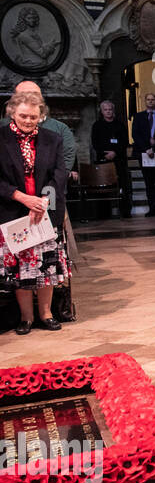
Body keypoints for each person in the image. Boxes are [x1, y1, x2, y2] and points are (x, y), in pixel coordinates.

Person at [1, 90, 69, 334]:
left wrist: (42, 201)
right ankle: (26, 317)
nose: (28, 121)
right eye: (23, 116)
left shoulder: (52, 139)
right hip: (12, 211)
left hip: (43, 211)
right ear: (12, 113)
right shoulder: (1, 137)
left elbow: (58, 174)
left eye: (33, 116)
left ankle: (46, 313)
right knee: (21, 269)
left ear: (41, 116)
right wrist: (21, 197)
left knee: (45, 267)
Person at [91, 99, 132, 217]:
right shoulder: (97, 125)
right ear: (102, 112)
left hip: (119, 160)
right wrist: (106, 154)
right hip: (103, 161)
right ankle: (104, 213)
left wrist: (115, 152)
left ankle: (125, 212)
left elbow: (124, 142)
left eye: (110, 109)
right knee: (103, 187)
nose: (108, 112)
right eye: (106, 110)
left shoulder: (120, 125)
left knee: (124, 186)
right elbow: (95, 143)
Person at [131, 93, 155, 216]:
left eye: (153, 99)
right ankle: (152, 208)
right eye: (148, 100)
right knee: (149, 182)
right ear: (145, 101)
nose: (151, 101)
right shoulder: (138, 116)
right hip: (144, 153)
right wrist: (147, 148)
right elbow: (135, 135)